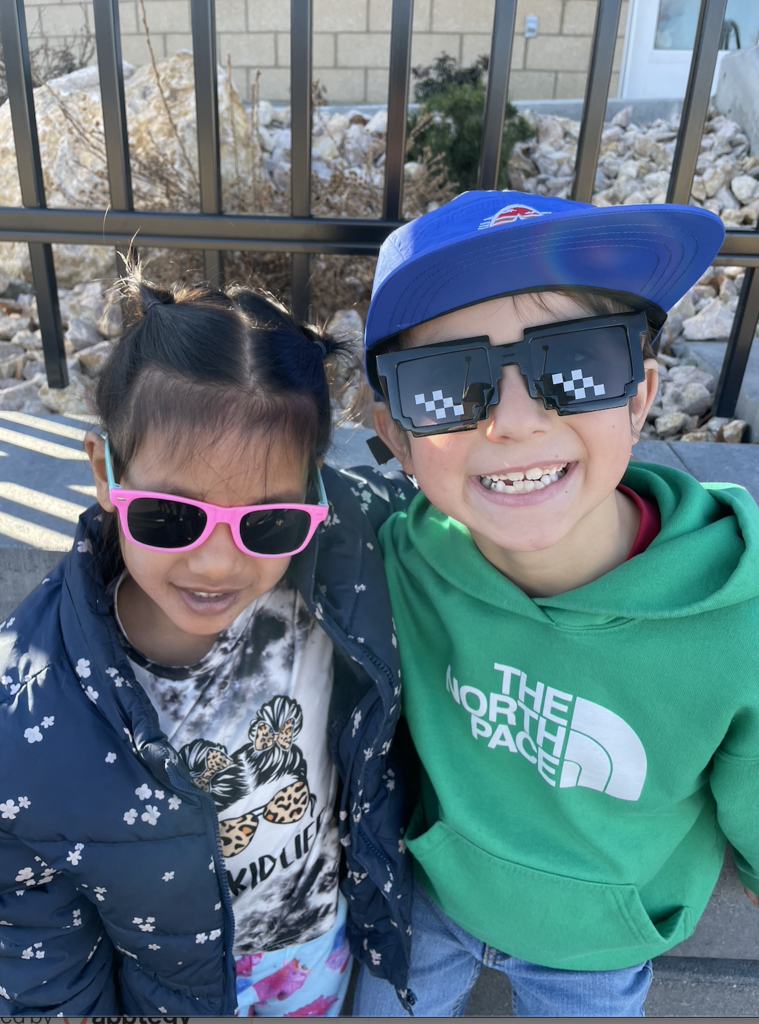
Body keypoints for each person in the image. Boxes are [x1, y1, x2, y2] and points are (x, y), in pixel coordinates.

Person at [354, 190, 759, 1017]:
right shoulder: (400, 557)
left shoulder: (736, 618)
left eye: (575, 365)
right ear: (395, 437)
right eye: (443, 384)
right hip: (433, 899)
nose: (512, 420)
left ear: (640, 394)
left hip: (598, 945)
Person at [0, 276, 416, 1016]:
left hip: (328, 961)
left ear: (314, 498)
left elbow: (485, 519)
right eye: (168, 517)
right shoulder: (31, 709)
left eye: (268, 524)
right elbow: (37, 941)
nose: (218, 563)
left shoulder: (346, 556)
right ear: (104, 473)